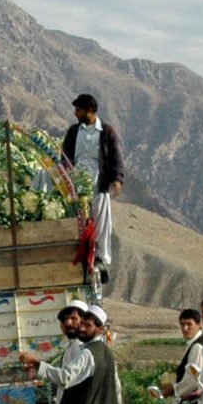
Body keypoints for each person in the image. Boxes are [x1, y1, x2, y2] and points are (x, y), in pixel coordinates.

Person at [62, 93, 123, 290]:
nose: (75, 113)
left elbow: (115, 157)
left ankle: (101, 258)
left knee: (101, 216)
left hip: (98, 179)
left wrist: (117, 180)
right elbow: (65, 156)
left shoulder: (106, 132)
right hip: (76, 178)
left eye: (78, 110)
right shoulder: (73, 131)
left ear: (90, 110)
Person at [152, 308, 203, 403]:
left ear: (199, 325)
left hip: (196, 403)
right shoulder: (192, 344)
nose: (185, 328)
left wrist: (172, 390)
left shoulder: (197, 347)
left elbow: (192, 381)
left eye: (189, 324)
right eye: (182, 324)